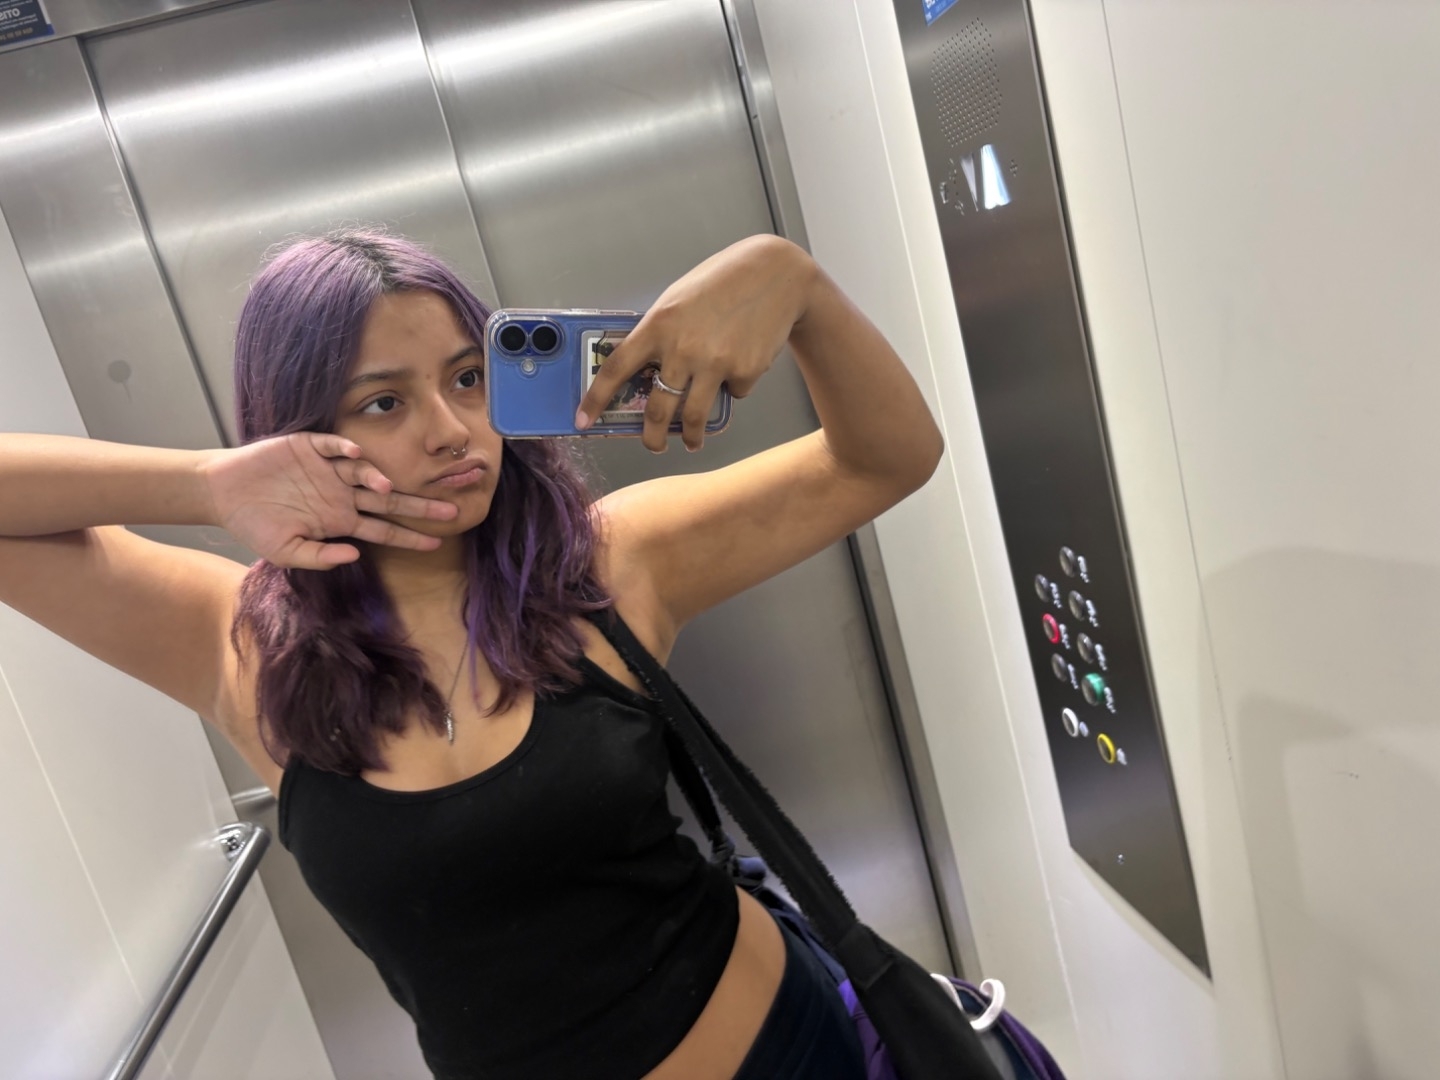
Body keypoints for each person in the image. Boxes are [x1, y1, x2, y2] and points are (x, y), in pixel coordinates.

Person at [0, 230, 943, 1079]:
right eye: (383, 402)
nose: (452, 430)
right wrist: (207, 485)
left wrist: (795, 282)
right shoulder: (242, 646)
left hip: (787, 1049)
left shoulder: (607, 565)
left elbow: (886, 457)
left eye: (466, 378)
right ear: (298, 433)